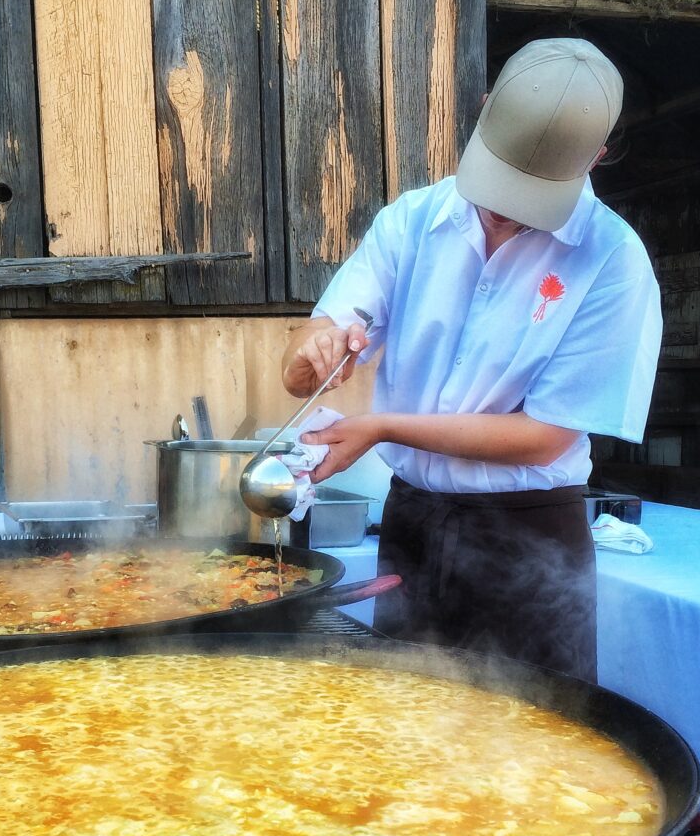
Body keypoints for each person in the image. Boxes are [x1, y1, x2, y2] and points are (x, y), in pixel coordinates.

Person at [280, 37, 662, 684]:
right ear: (484, 112)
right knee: (405, 736)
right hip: (415, 522)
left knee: (539, 751)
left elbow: (544, 438)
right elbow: (303, 366)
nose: (504, 212)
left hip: (531, 535)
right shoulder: (413, 222)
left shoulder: (612, 261)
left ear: (596, 157)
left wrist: (381, 426)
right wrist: (314, 348)